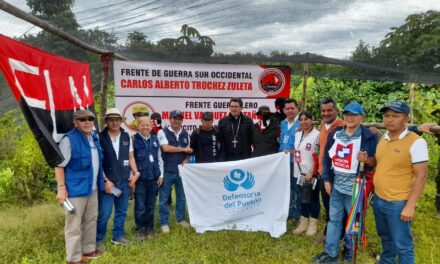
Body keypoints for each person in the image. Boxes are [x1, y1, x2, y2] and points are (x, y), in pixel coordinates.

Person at [313, 102, 377, 264]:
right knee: (334, 220)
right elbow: (326, 159)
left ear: (361, 117)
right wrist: (327, 180)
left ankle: (349, 252)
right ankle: (331, 253)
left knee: (353, 223)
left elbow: (374, 161)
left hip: (355, 189)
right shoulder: (336, 134)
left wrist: (366, 159)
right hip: (336, 187)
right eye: (347, 114)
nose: (350, 117)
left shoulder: (368, 136)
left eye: (354, 115)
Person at [372, 101, 429, 264]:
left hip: (398, 202)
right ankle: (386, 261)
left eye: (395, 116)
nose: (389, 119)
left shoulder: (417, 142)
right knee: (386, 237)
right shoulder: (384, 137)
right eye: (386, 115)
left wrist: (410, 206)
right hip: (379, 199)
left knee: (403, 244)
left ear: (406, 118)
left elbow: (421, 176)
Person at [55, 110, 105, 264]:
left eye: (90, 119)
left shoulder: (94, 138)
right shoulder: (68, 140)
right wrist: (61, 188)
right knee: (74, 225)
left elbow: (97, 163)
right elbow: (59, 166)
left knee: (91, 219)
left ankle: (88, 250)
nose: (87, 122)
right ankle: (74, 258)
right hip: (75, 190)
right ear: (75, 122)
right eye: (83, 119)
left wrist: (105, 179)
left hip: (93, 188)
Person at [96, 108, 139, 250]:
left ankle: (118, 236)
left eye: (117, 119)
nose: (114, 122)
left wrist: (135, 173)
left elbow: (131, 157)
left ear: (121, 121)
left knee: (122, 211)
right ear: (107, 121)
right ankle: (98, 240)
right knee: (104, 214)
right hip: (108, 184)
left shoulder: (127, 136)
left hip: (124, 182)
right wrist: (105, 181)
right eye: (111, 119)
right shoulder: (99, 137)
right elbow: (97, 162)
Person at [157, 110, 192, 233]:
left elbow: (189, 152)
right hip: (167, 170)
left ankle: (180, 219)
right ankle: (164, 222)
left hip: (181, 171)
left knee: (181, 197)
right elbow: (165, 148)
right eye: (174, 118)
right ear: (170, 119)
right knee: (164, 199)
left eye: (179, 118)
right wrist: (183, 149)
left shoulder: (185, 133)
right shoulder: (162, 132)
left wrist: (187, 159)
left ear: (182, 120)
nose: (177, 121)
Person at [317, 98, 345, 239]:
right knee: (328, 206)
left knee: (337, 209)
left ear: (336, 111)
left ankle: (338, 236)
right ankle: (330, 233)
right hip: (323, 173)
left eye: (329, 110)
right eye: (323, 111)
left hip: (336, 175)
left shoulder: (344, 126)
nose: (326, 113)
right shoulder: (323, 125)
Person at [133, 116, 164, 239]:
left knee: (151, 205)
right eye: (143, 125)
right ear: (138, 126)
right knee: (140, 206)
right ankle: (140, 229)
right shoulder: (133, 140)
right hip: (140, 179)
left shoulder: (155, 139)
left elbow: (160, 158)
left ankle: (149, 228)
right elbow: (132, 160)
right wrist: (133, 178)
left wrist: (161, 175)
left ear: (151, 127)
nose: (145, 127)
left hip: (153, 178)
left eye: (147, 125)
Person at [292, 111, 320, 236]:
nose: (303, 122)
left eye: (306, 119)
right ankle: (303, 223)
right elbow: (297, 151)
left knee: (313, 198)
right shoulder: (298, 134)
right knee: (303, 198)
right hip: (299, 172)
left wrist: (312, 171)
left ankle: (313, 224)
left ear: (312, 120)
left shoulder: (317, 135)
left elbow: (319, 155)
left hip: (311, 173)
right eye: (301, 120)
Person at [279, 99, 301, 221]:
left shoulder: (301, 123)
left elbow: (303, 144)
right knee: (286, 188)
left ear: (297, 108)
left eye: (292, 108)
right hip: (283, 162)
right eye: (287, 108)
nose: (290, 110)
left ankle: (298, 214)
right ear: (284, 110)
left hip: (295, 162)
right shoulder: (282, 123)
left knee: (296, 187)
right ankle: (289, 211)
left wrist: (292, 153)